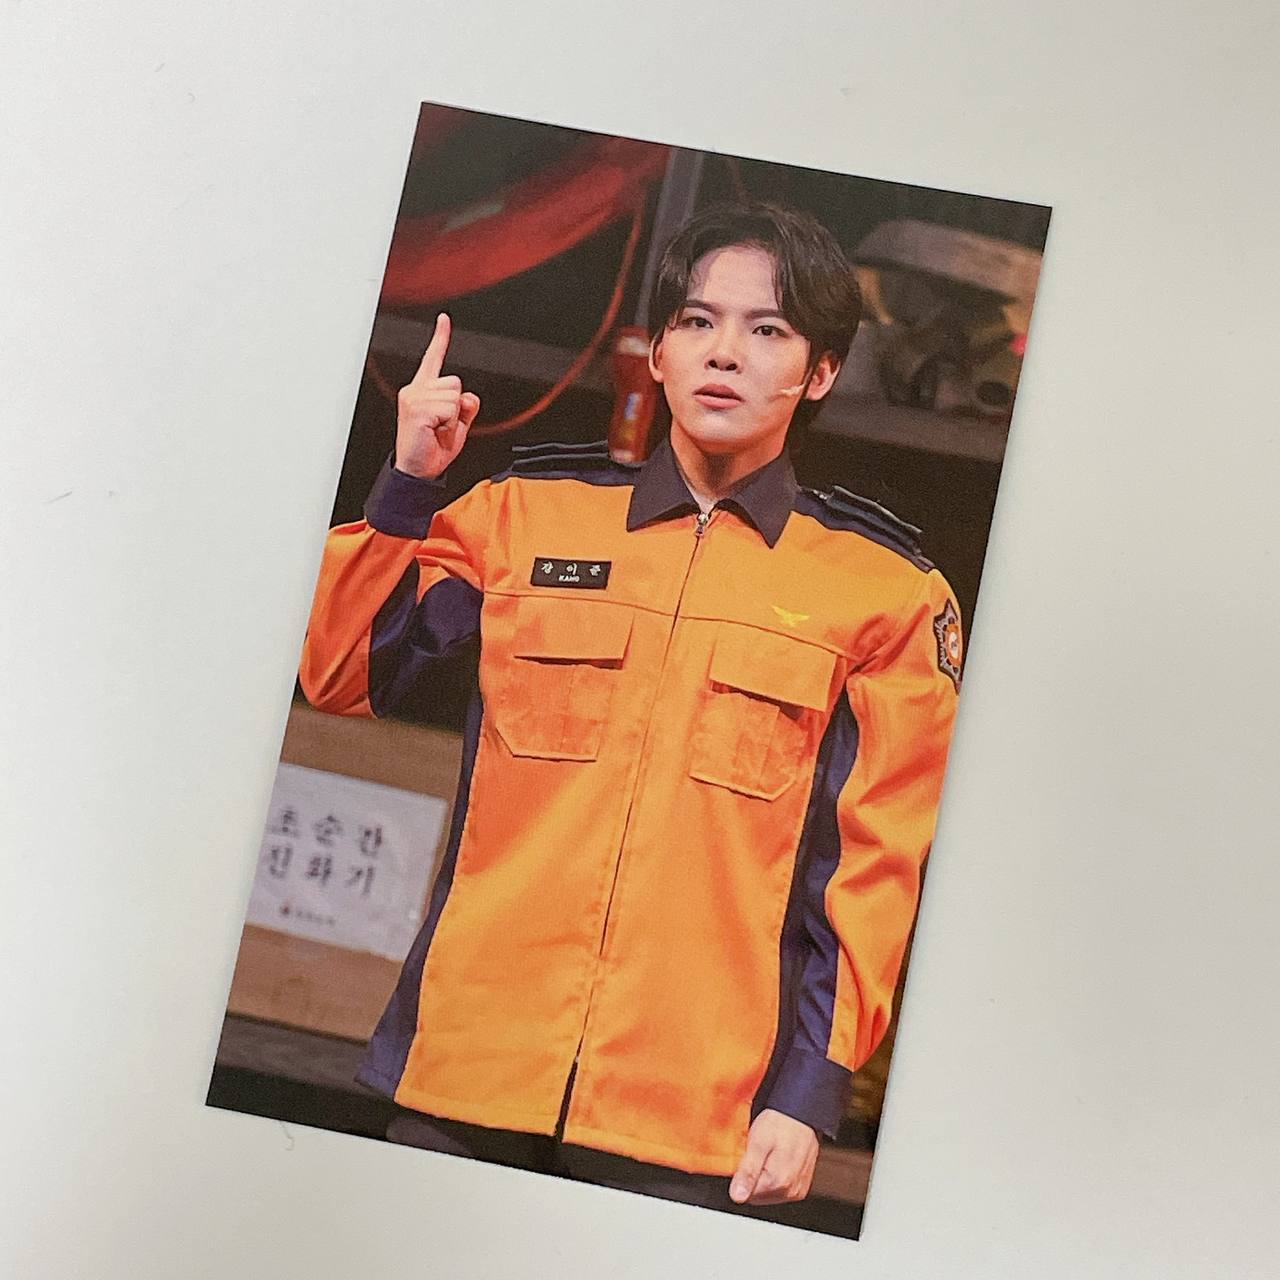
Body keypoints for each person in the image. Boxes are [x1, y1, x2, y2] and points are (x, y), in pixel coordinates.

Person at [298, 201, 964, 1219]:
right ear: (657, 354)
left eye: (767, 329)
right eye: (697, 321)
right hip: (467, 1066)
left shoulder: (887, 592)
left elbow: (872, 872)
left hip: (693, 1114)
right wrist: (408, 483)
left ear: (821, 372)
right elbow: (343, 675)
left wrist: (807, 1095)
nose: (723, 352)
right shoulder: (524, 514)